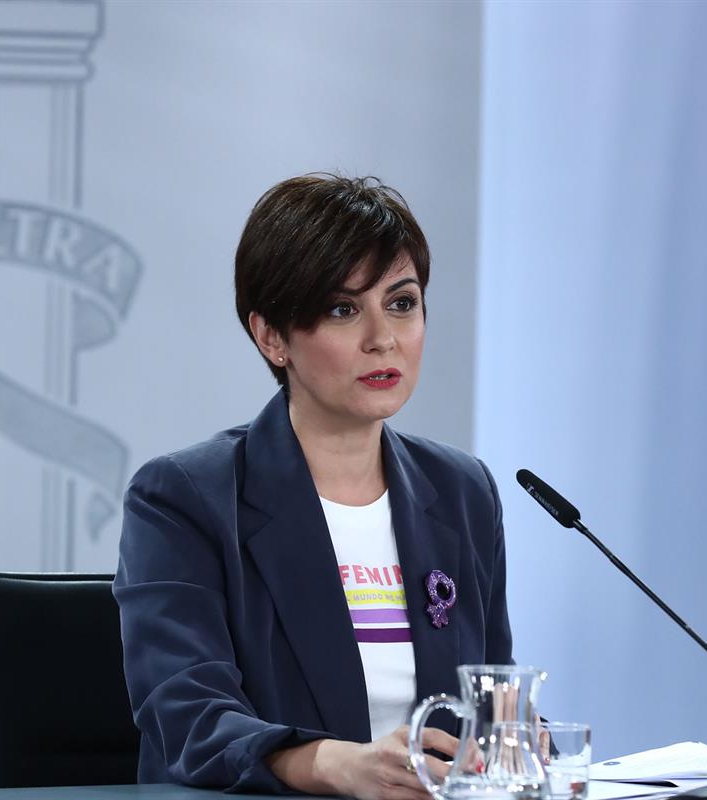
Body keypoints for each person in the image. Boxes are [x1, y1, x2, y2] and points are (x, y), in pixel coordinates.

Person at [113, 174, 514, 797]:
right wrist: (339, 766)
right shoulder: (185, 497)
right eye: (343, 309)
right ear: (273, 336)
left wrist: (516, 738)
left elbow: (489, 693)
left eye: (402, 303)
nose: (383, 338)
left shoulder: (463, 490)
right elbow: (188, 717)